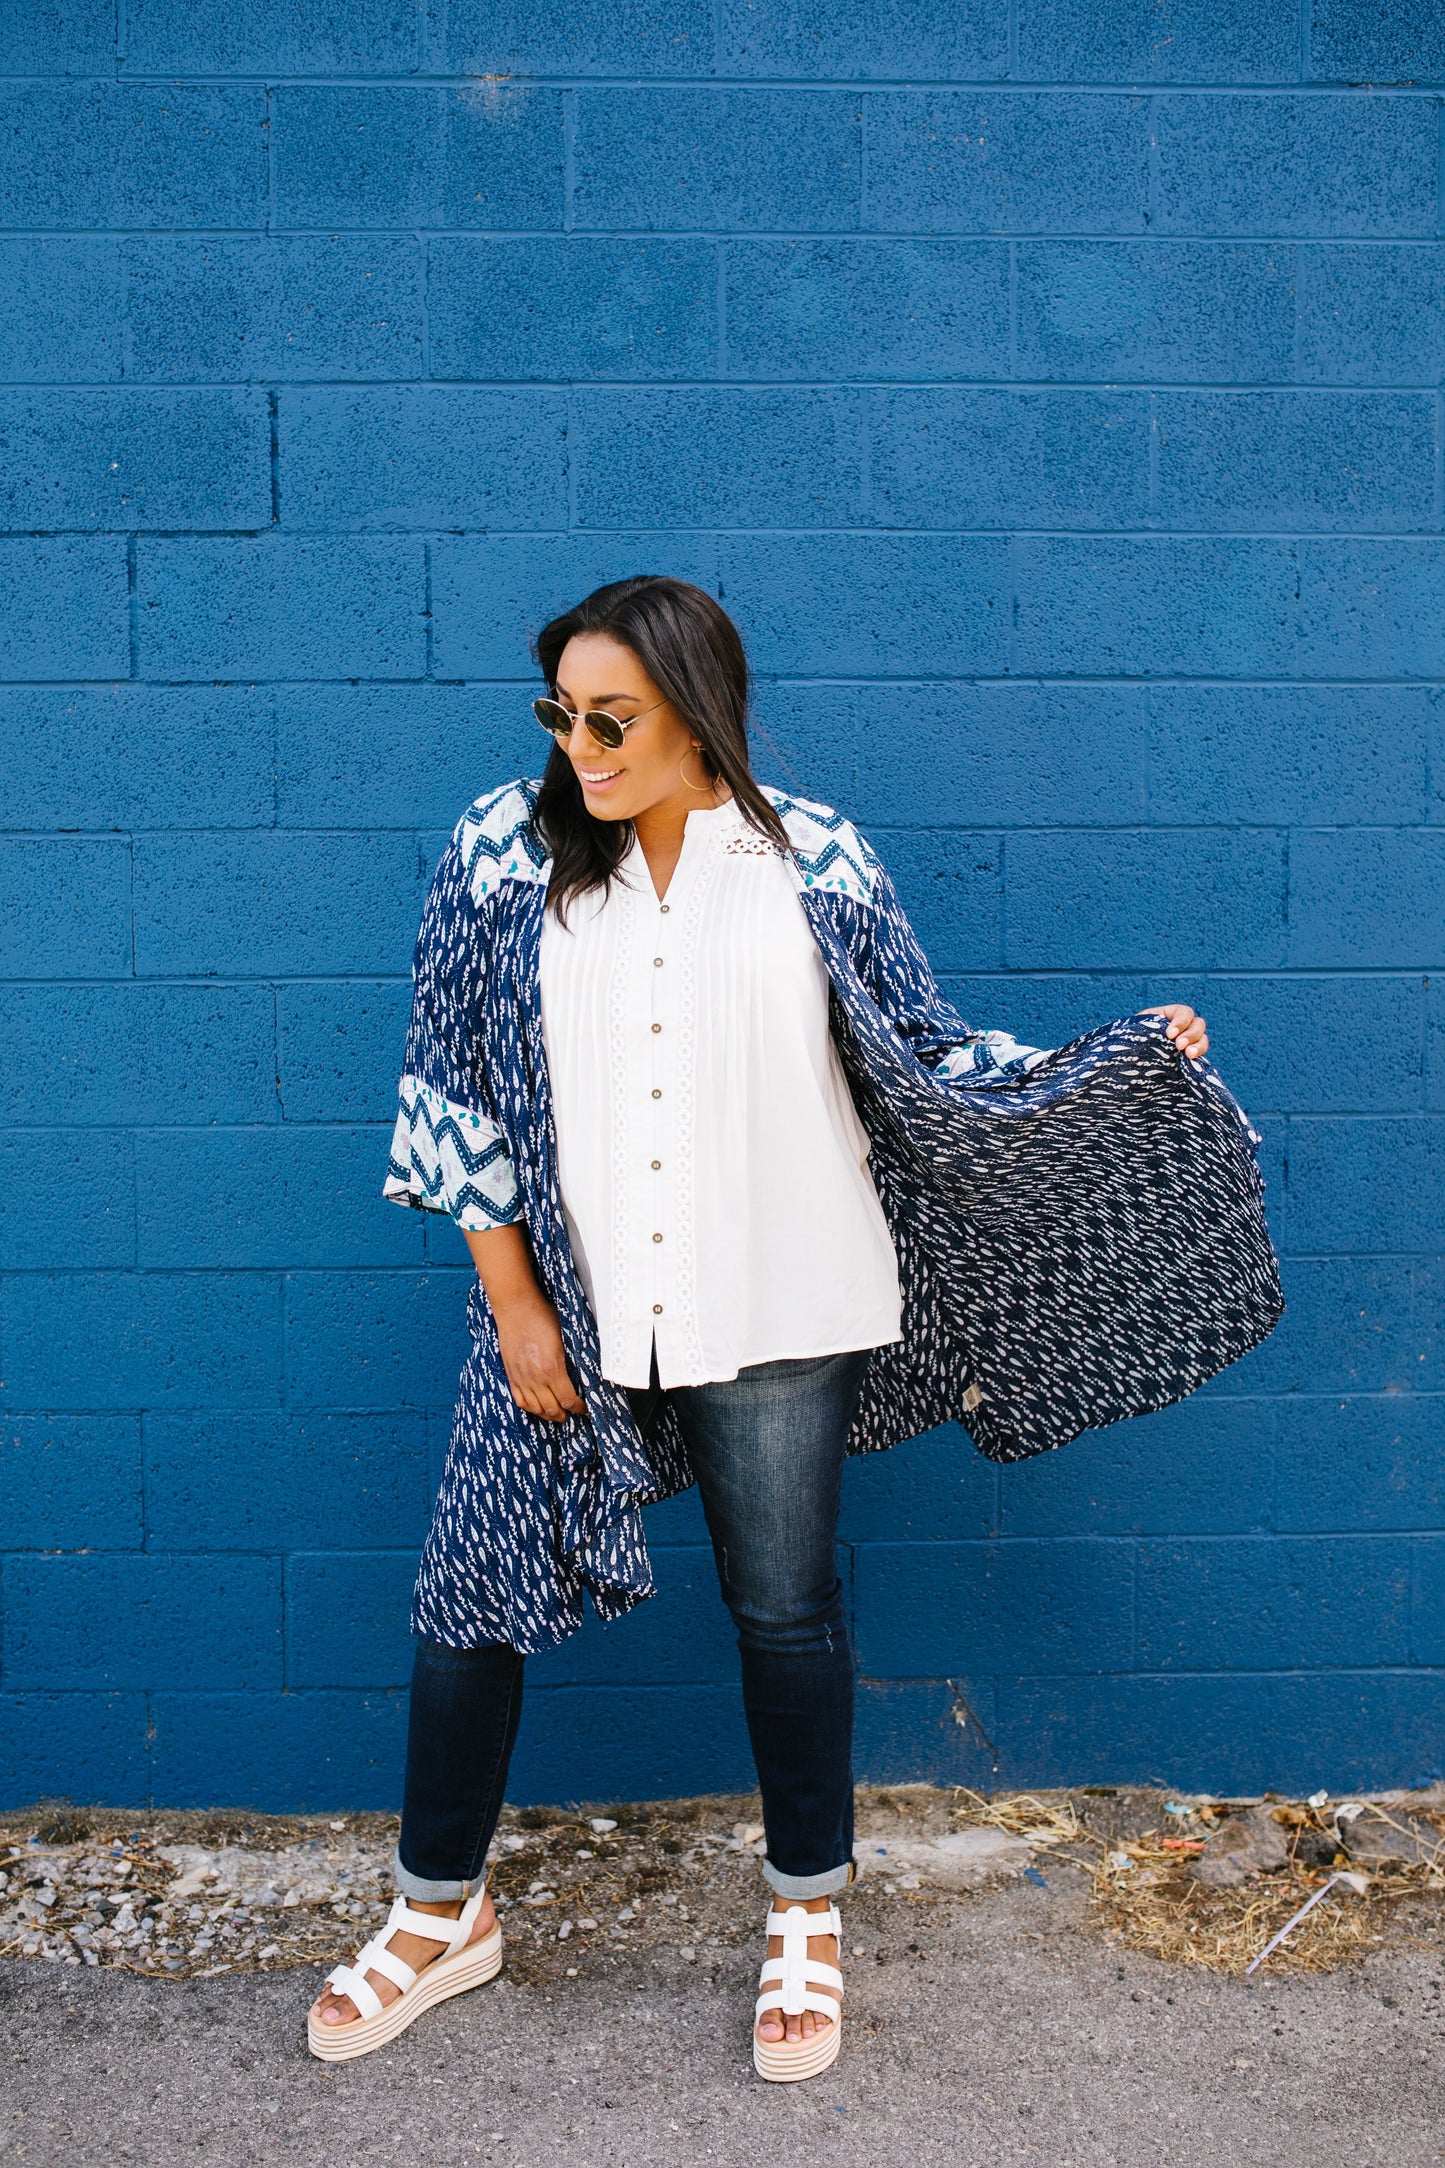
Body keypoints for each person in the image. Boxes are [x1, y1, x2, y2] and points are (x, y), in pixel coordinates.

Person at [307, 576, 1281, 2076]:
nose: (579, 742)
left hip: (777, 1294)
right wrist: (512, 1307)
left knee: (784, 1608)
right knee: (470, 1598)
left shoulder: (812, 857)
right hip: (570, 1305)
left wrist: (1117, 1061)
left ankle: (805, 1916)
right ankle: (441, 1914)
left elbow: (922, 1051)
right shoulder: (501, 855)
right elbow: (455, 1093)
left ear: (699, 708)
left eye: (611, 716)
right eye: (558, 713)